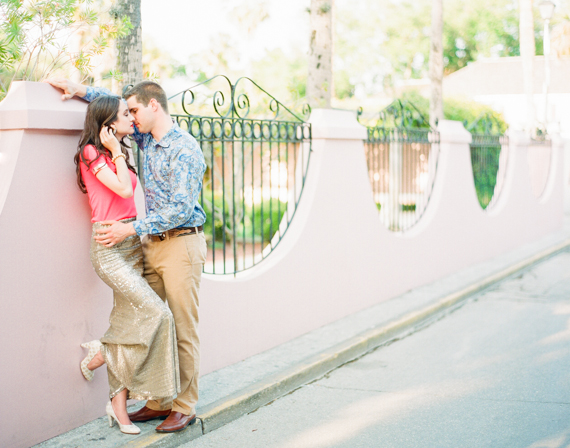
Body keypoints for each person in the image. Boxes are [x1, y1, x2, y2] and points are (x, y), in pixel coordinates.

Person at [47, 78, 208, 433]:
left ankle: (184, 406)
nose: (131, 118)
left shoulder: (186, 148)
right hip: (147, 245)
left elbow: (182, 208)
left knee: (182, 328)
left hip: (181, 243)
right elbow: (109, 112)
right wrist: (78, 90)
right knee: (148, 320)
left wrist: (130, 228)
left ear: (154, 106)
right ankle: (157, 401)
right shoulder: (143, 138)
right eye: (129, 113)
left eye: (135, 110)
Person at [69, 93, 180, 435]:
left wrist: (79, 88)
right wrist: (116, 152)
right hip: (108, 246)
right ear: (107, 125)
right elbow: (122, 190)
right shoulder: (92, 152)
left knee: (128, 317)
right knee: (158, 314)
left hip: (130, 242)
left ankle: (118, 408)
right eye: (123, 114)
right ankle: (104, 349)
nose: (131, 118)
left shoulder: (120, 150)